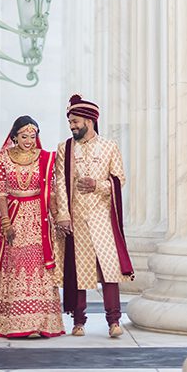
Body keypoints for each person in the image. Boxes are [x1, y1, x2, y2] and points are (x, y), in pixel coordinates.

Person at [0, 115, 64, 338]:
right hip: (14, 216)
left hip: (38, 218)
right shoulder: (4, 158)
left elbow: (50, 193)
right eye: (24, 136)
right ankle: (11, 322)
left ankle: (41, 322)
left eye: (33, 136)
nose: (29, 140)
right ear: (14, 136)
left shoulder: (45, 158)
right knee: (14, 264)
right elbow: (1, 193)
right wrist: (5, 222)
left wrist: (58, 218)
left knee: (40, 265)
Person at [54, 93, 133, 338]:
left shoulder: (109, 147)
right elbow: (60, 184)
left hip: (102, 218)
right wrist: (63, 215)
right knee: (79, 270)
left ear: (89, 120)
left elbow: (119, 180)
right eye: (70, 122)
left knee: (110, 270)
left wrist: (97, 184)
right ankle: (78, 322)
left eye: (76, 121)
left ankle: (114, 321)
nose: (72, 126)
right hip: (77, 218)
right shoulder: (64, 148)